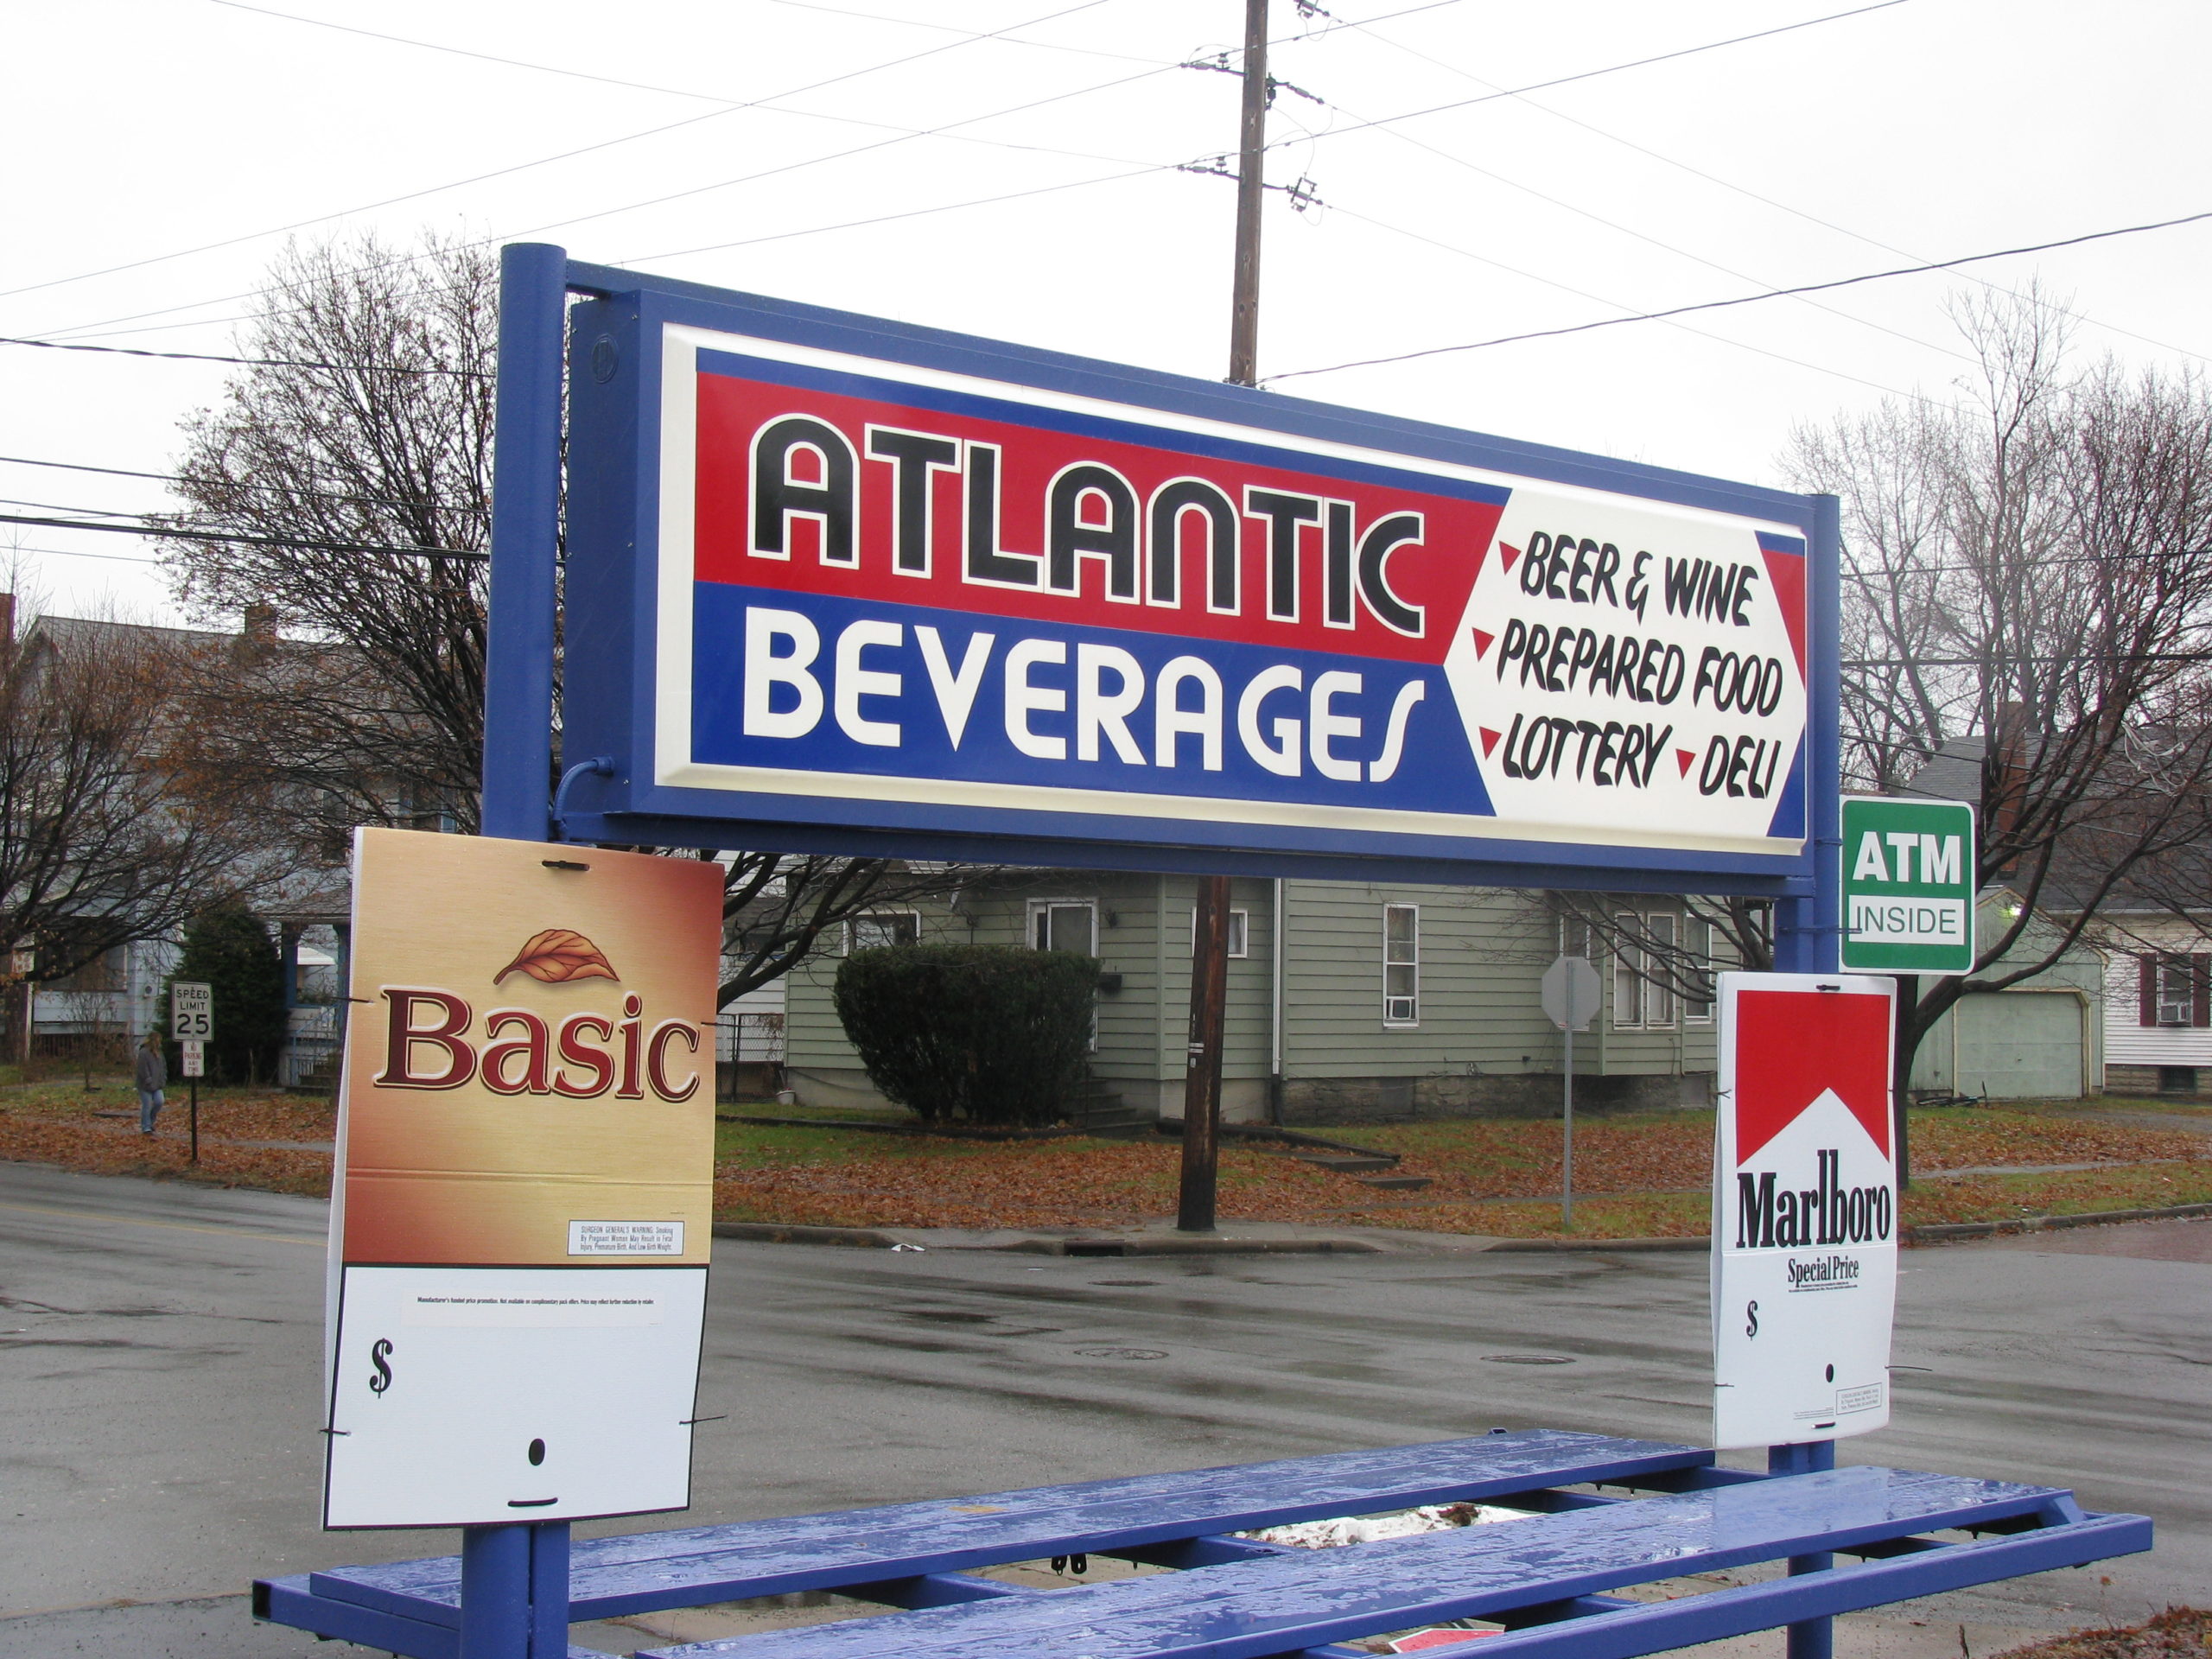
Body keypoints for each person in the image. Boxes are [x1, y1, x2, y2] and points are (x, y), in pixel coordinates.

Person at [136, 1030, 168, 1135]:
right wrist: (147, 1079)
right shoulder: (143, 1052)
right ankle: (146, 1127)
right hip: (145, 1085)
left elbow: (163, 1067)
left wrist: (163, 1078)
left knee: (159, 1101)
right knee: (147, 1105)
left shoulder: (159, 1053)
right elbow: (142, 1068)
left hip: (157, 1084)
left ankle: (151, 1120)